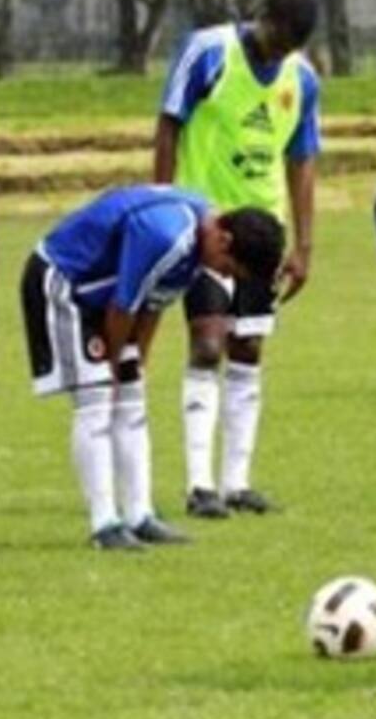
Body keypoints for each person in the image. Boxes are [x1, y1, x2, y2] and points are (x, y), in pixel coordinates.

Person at [20, 186, 284, 550]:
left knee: (132, 399)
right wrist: (112, 365)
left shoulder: (198, 249)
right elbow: (125, 305)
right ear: (223, 239)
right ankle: (104, 524)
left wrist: (135, 363)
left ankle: (139, 516)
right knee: (96, 401)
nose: (224, 275)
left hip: (108, 299)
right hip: (64, 284)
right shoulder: (166, 235)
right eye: (228, 268)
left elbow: (153, 301)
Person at [153, 0, 320, 519]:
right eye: (276, 40)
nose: (278, 54)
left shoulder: (302, 79)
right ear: (261, 18)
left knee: (248, 351)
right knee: (207, 344)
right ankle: (199, 485)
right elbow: (168, 125)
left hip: (263, 234)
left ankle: (236, 482)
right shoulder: (208, 51)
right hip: (208, 228)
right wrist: (162, 205)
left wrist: (304, 246)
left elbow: (303, 160)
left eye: (289, 47)